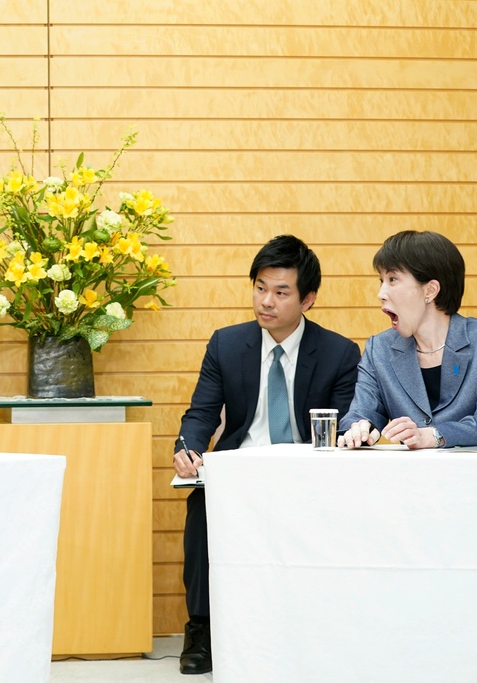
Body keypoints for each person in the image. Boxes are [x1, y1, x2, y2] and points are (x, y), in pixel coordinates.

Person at [173, 235, 360, 675]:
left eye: (281, 292)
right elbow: (201, 413)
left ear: (307, 299)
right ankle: (202, 628)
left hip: (305, 474)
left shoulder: (339, 353)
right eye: (260, 288)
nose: (266, 302)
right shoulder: (226, 344)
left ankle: (318, 628)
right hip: (241, 470)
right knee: (202, 503)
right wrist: (188, 448)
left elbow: (350, 424)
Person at [337, 230, 477, 450]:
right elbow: (361, 412)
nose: (381, 293)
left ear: (430, 290)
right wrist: (359, 428)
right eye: (381, 281)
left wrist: (433, 436)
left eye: (392, 279)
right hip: (413, 478)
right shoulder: (378, 349)